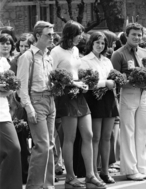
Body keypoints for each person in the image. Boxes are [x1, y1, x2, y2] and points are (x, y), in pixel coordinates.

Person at [50, 20, 106, 189]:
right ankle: (70, 176)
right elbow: (52, 76)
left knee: (88, 135)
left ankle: (90, 175)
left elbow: (76, 71)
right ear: (70, 34)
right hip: (66, 96)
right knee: (70, 138)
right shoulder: (56, 52)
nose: (82, 36)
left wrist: (84, 81)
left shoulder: (75, 50)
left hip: (80, 95)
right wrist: (72, 84)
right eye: (79, 33)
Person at [111, 23, 146, 181]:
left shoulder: (144, 52)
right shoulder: (118, 54)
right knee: (128, 132)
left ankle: (142, 168)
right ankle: (130, 169)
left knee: (142, 131)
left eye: (139, 34)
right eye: (133, 34)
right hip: (128, 93)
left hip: (143, 94)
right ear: (126, 35)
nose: (137, 37)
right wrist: (132, 82)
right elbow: (115, 78)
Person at [17, 20, 56, 189]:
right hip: (37, 100)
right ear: (38, 36)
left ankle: (48, 185)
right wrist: (29, 107)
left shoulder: (48, 55)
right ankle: (34, 186)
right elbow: (21, 86)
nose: (52, 37)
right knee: (41, 145)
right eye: (49, 35)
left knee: (49, 144)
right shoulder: (27, 56)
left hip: (50, 100)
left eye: (53, 34)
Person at [81, 32, 119, 184]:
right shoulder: (85, 60)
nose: (100, 45)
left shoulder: (107, 60)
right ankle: (93, 173)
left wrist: (115, 82)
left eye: (103, 43)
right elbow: (87, 83)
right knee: (95, 137)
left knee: (107, 136)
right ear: (91, 43)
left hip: (108, 98)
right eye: (97, 42)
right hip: (94, 99)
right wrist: (105, 83)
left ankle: (104, 170)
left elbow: (113, 78)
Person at [0, 56, 22, 189]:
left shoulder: (2, 61)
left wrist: (9, 88)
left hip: (2, 113)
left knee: (14, 148)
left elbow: (10, 87)